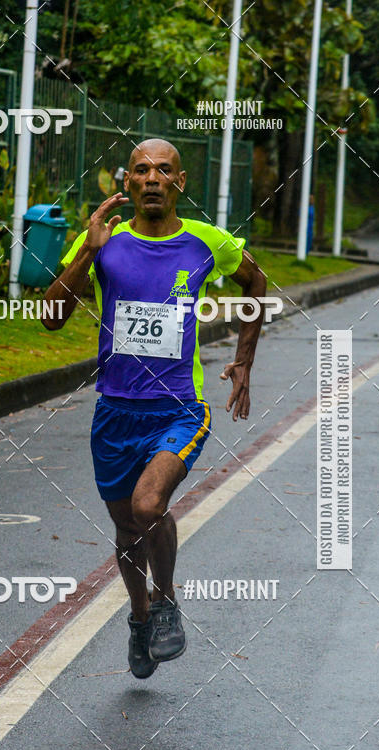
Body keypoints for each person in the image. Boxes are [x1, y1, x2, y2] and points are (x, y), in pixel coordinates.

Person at [42, 138, 266, 678]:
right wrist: (90, 252)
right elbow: (49, 317)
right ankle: (139, 618)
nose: (150, 179)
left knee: (148, 506)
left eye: (162, 171)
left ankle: (165, 602)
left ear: (178, 184)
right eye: (140, 170)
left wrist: (244, 360)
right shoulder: (105, 241)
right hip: (114, 412)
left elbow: (256, 283)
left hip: (178, 409)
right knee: (125, 532)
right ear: (127, 184)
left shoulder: (206, 243)